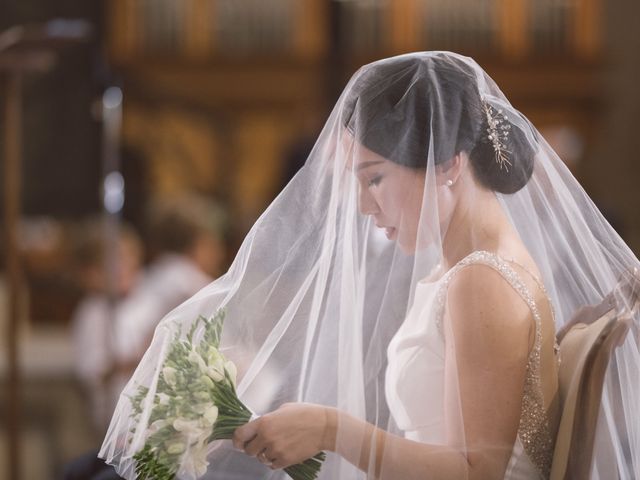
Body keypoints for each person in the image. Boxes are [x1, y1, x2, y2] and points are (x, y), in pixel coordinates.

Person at [100, 52, 639, 480]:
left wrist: (332, 429)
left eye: (374, 178)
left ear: (448, 165)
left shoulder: (482, 280)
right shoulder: (467, 270)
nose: (363, 205)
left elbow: (479, 473)